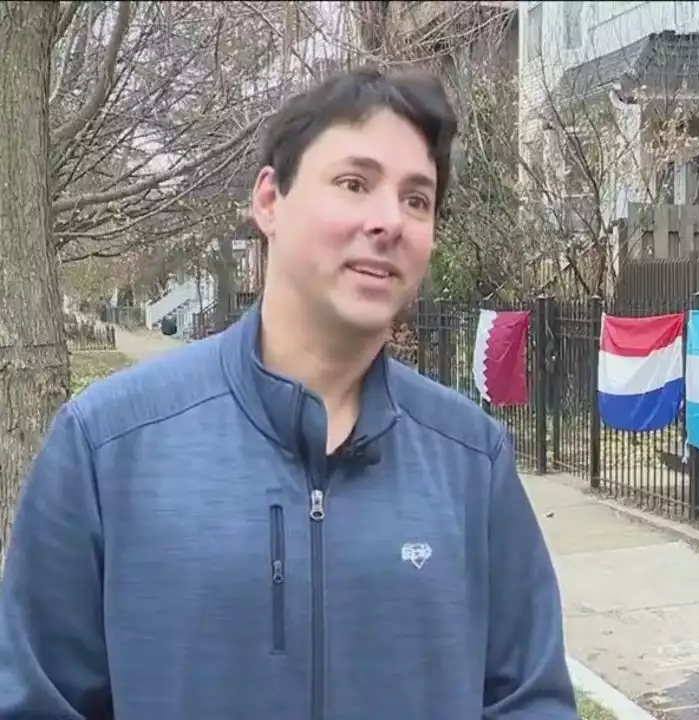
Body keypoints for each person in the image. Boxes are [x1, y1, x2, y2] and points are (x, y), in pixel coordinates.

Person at [0, 67, 577, 719]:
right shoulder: (107, 445)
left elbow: (530, 699)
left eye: (417, 199)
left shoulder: (472, 460)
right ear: (269, 200)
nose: (389, 220)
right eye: (354, 184)